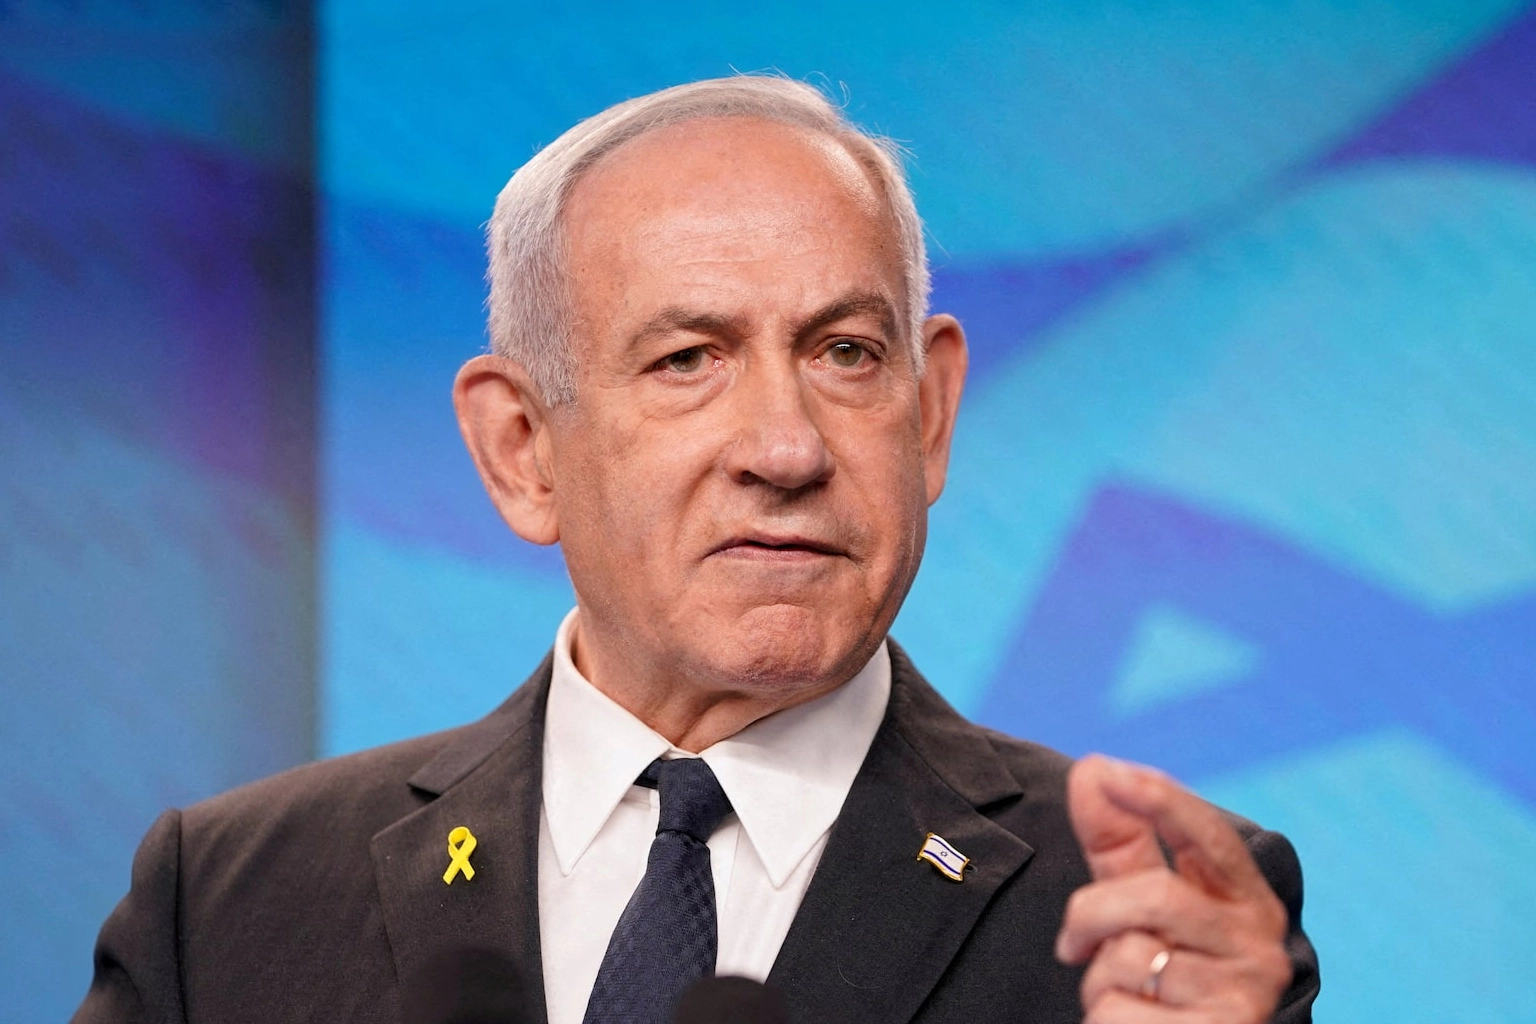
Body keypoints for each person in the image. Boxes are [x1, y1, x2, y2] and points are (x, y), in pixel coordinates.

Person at [74, 76, 1318, 1024]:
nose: (787, 447)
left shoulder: (1151, 932)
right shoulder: (229, 902)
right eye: (688, 360)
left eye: (846, 353)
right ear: (522, 448)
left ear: (931, 413)